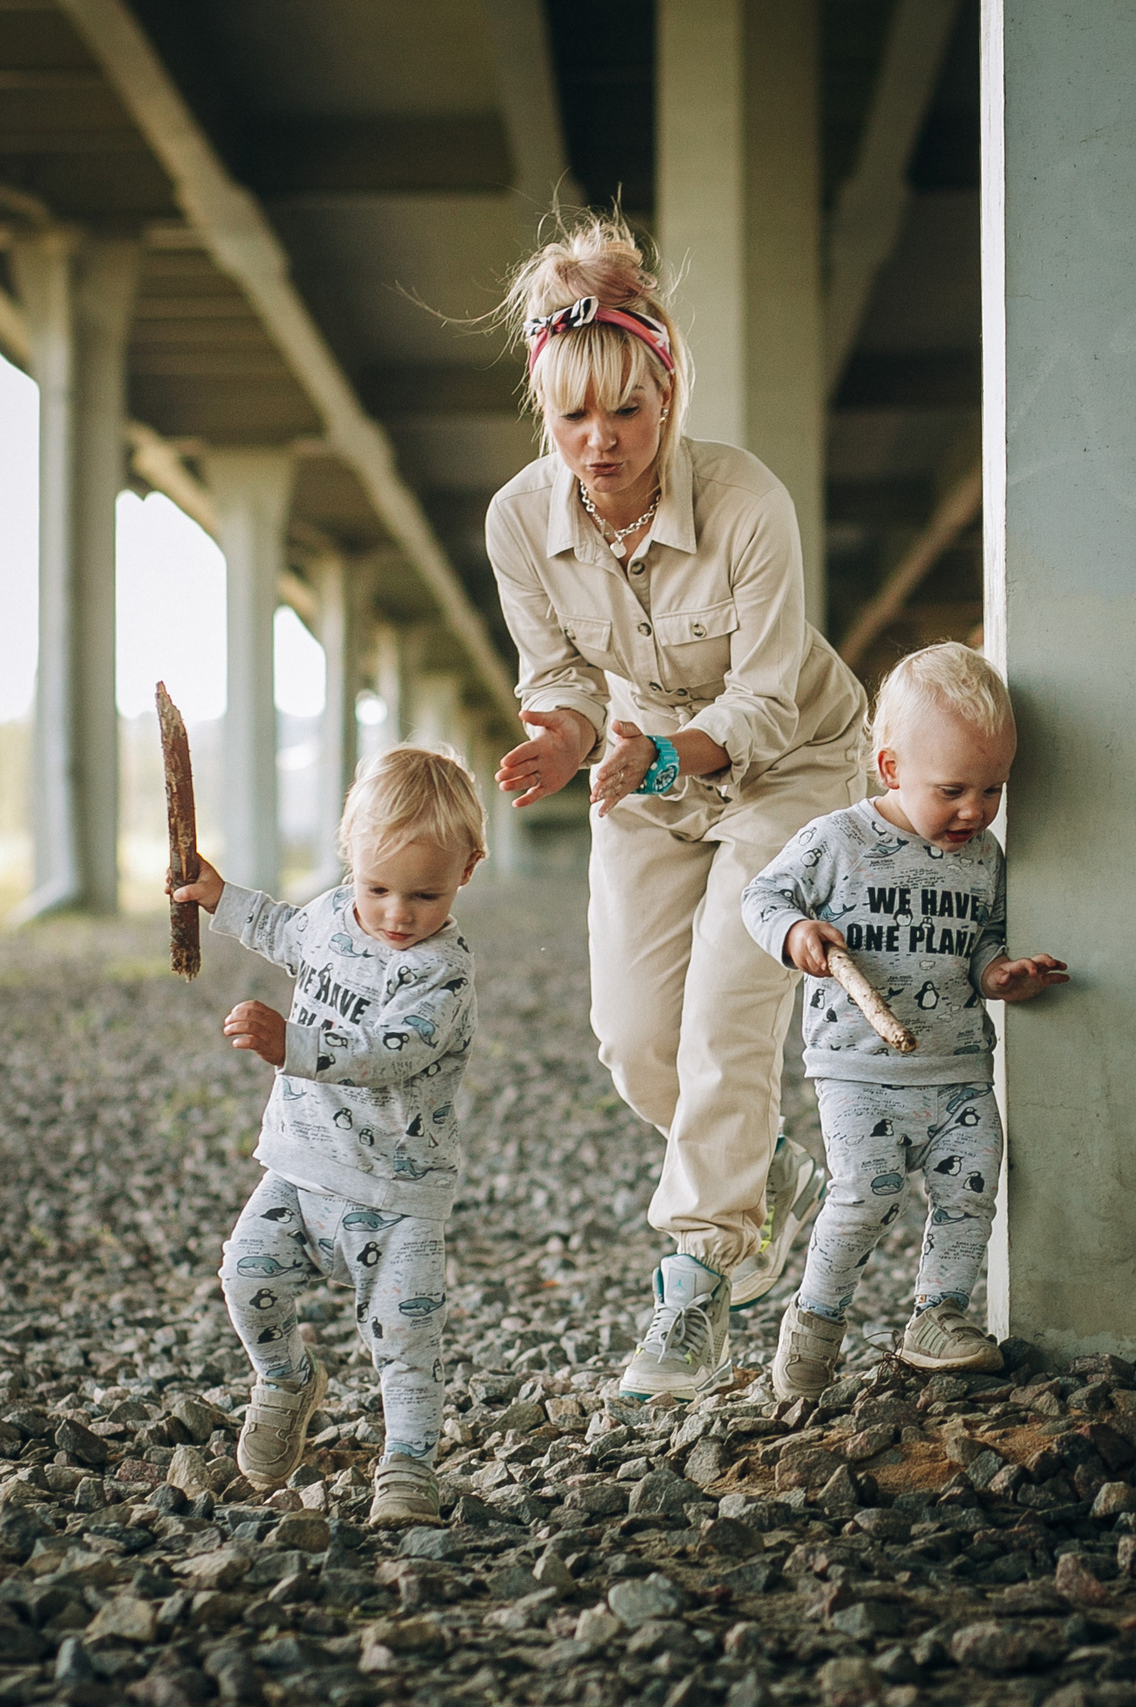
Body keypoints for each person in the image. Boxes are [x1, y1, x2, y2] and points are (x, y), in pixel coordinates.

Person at [484, 216, 867, 1403]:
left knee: (724, 1018)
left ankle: (697, 1284)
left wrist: (660, 757)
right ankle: (771, 1170)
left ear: (668, 392)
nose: (599, 444)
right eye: (571, 419)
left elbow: (759, 700)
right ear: (545, 413)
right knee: (639, 1043)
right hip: (640, 764)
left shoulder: (747, 501)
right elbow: (555, 676)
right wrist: (559, 735)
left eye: (627, 414)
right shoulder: (517, 521)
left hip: (787, 760)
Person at [740, 644, 1069, 1401]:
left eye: (993, 790)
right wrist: (795, 934)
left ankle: (938, 1314)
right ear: (890, 769)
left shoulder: (983, 855)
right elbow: (763, 896)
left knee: (972, 1189)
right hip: (858, 1068)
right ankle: (815, 1326)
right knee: (868, 1190)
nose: (975, 811)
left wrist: (998, 974)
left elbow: (985, 935)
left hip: (957, 1069)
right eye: (953, 789)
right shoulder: (836, 841)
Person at [169, 745, 485, 1528]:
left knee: (405, 1335)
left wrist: (295, 1048)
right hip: (302, 1172)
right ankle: (286, 1378)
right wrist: (217, 896)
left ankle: (408, 1464)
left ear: (467, 870)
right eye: (377, 887)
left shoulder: (441, 974)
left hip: (398, 1192)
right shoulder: (331, 916)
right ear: (350, 858)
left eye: (424, 893)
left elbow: (392, 1053)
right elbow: (281, 929)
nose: (396, 914)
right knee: (246, 1274)